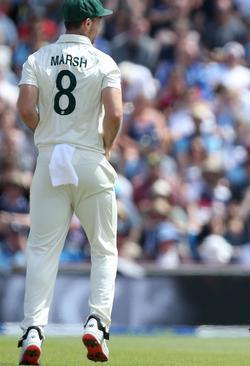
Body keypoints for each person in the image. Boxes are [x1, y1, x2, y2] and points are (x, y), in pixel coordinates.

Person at [15, 0, 122, 364]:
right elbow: (116, 112)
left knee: (43, 249)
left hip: (50, 158)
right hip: (90, 156)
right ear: (89, 23)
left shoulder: (38, 58)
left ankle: (33, 329)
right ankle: (97, 323)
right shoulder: (104, 62)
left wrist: (44, 131)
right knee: (104, 248)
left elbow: (26, 108)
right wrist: (106, 145)